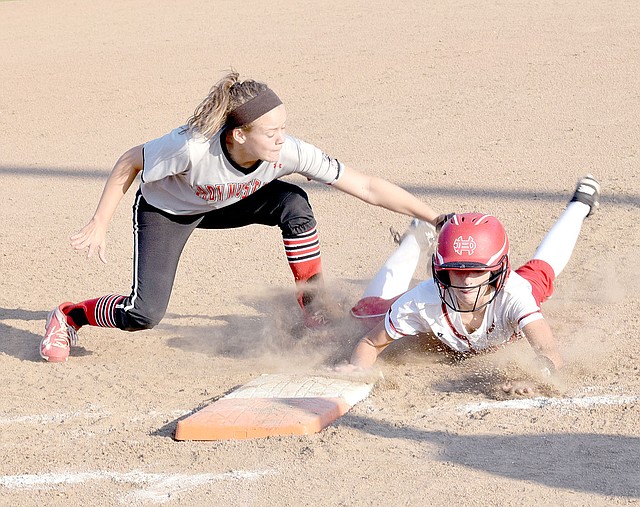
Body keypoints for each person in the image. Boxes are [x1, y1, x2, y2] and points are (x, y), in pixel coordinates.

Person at [40, 70, 446, 363]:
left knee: (294, 204)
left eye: (284, 128)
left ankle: (313, 309)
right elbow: (130, 161)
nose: (281, 138)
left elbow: (368, 186)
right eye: (270, 132)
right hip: (171, 210)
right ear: (238, 134)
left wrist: (435, 218)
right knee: (144, 313)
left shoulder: (287, 151)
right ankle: (70, 315)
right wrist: (100, 221)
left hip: (231, 202)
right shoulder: (192, 148)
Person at [344, 175, 600, 396]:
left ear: (498, 270)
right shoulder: (421, 301)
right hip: (440, 329)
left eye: (477, 270)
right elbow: (369, 343)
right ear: (441, 270)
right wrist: (359, 368)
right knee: (364, 313)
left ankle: (580, 205)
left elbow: (548, 351)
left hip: (503, 297)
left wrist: (533, 377)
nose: (466, 280)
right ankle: (418, 236)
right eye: (456, 270)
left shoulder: (515, 293)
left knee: (542, 272)